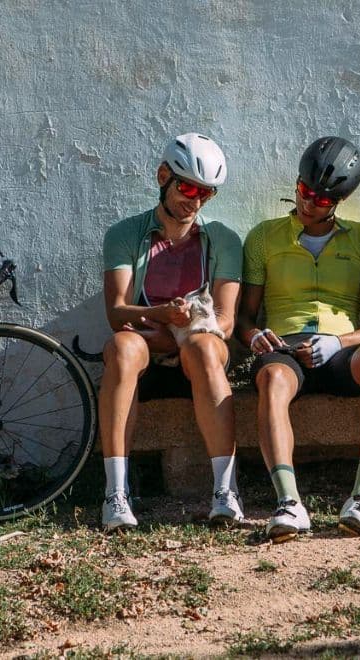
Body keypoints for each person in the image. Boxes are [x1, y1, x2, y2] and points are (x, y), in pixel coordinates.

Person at [236, 136, 360, 542]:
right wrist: (254, 336)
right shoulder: (263, 237)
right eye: (305, 192)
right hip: (285, 346)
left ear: (339, 202)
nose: (309, 204)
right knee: (272, 379)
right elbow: (243, 317)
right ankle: (289, 503)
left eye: (323, 200)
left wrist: (338, 342)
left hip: (342, 347)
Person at [98, 132, 244, 532]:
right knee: (122, 347)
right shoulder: (126, 234)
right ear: (163, 175)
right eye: (187, 187)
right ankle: (115, 492)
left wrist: (187, 324)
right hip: (147, 337)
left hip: (197, 340)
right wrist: (163, 314)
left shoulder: (224, 240)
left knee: (202, 349)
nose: (194, 201)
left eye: (206, 194)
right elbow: (117, 312)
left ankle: (225, 490)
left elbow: (227, 322)